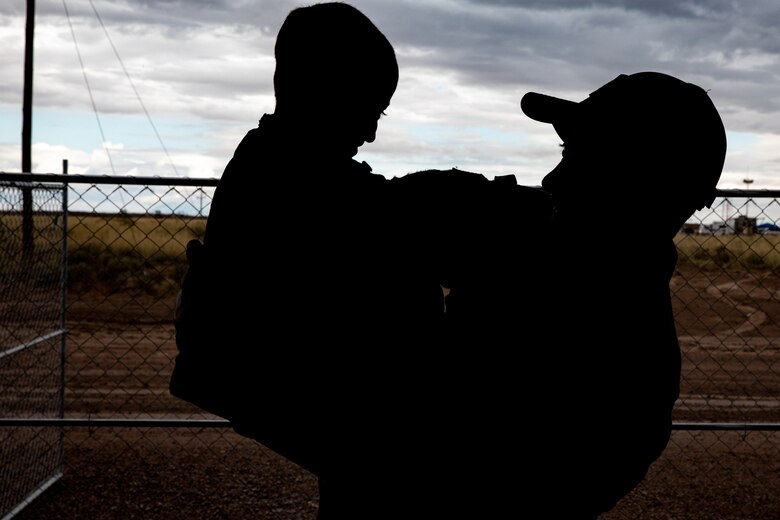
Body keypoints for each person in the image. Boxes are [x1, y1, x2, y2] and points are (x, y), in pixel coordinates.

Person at [170, 2, 551, 518]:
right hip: (343, 414)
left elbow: (401, 212)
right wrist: (535, 208)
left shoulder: (279, 167)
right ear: (323, 90)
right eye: (369, 107)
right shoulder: (285, 182)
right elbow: (407, 215)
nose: (371, 133)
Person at [515, 71, 727, 518]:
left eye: (582, 159)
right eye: (565, 153)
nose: (553, 180)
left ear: (636, 183)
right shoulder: (575, 283)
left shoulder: (610, 359)